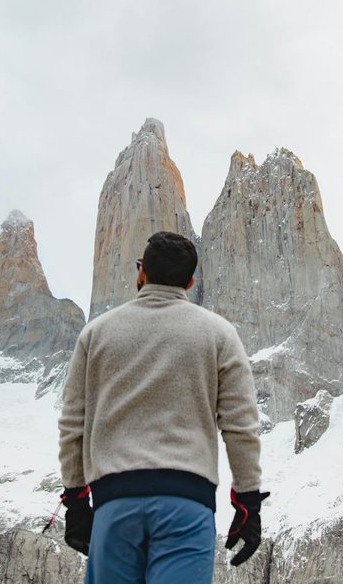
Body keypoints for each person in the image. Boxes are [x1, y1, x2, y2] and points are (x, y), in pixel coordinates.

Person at [57, 230, 268, 583]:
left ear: (142, 272)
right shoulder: (218, 333)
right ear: (189, 281)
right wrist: (248, 501)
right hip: (187, 502)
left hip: (114, 504)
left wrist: (77, 501)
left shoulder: (96, 334)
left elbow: (72, 424)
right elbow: (240, 425)